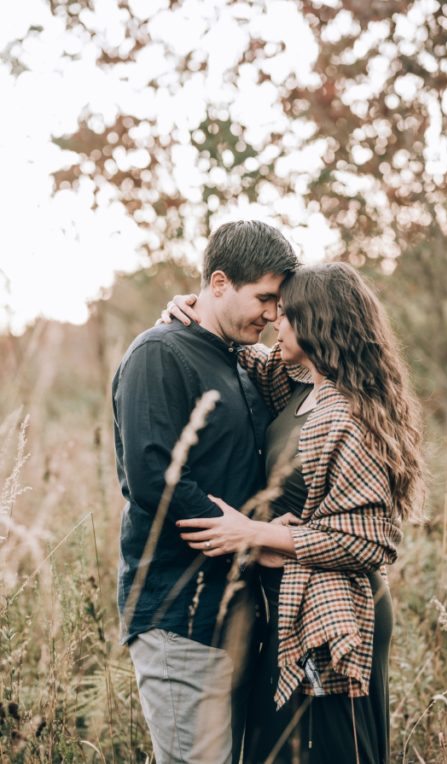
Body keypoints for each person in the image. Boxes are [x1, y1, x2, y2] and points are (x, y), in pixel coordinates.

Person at [165, 262, 425, 763]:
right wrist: (191, 308)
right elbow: (240, 349)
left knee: (326, 752)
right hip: (291, 609)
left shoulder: (350, 412)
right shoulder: (300, 386)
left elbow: (369, 541)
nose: (273, 325)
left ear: (316, 323)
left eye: (284, 316)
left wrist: (253, 533)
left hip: (336, 614)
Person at [113, 220, 298, 764]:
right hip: (179, 620)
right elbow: (153, 477)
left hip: (242, 616)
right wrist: (246, 538)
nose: (271, 314)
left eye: (278, 302)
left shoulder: (242, 361)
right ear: (219, 283)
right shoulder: (159, 352)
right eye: (263, 297)